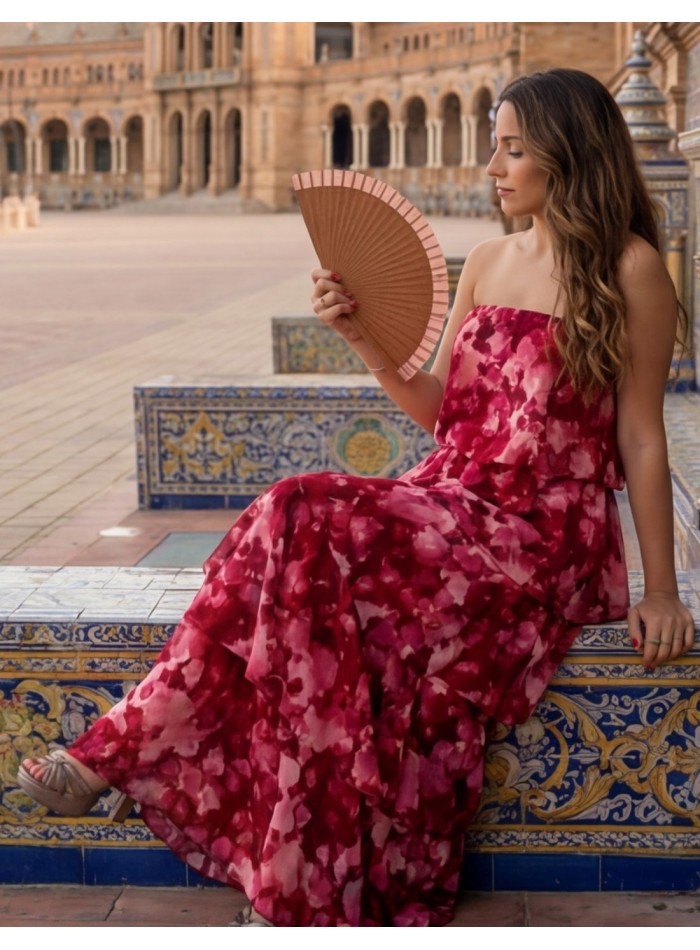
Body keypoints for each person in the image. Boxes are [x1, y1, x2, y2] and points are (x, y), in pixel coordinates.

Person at [17, 68, 695, 927]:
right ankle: (294, 865)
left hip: (540, 539)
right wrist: (359, 336)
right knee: (289, 541)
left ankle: (121, 755)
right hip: (452, 503)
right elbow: (443, 414)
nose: (492, 163)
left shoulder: (631, 269)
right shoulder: (488, 259)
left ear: (570, 154)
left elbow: (639, 436)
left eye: (513, 148)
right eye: (496, 142)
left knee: (297, 509)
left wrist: (660, 589)